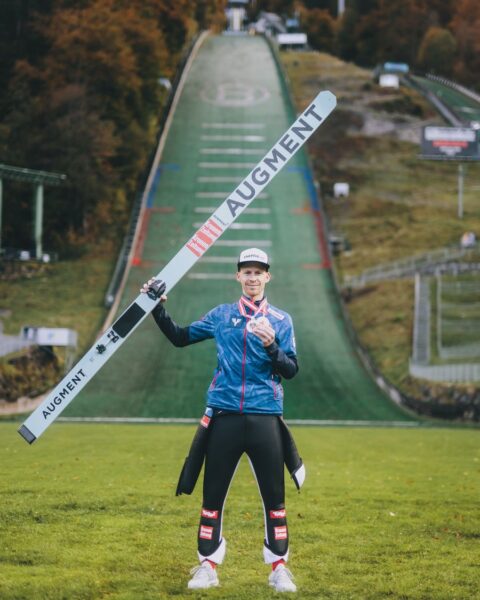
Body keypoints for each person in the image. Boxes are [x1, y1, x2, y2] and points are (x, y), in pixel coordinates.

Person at [141, 247, 305, 592]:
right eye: (247, 271)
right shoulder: (222, 315)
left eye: (259, 272)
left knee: (275, 499)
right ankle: (207, 566)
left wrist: (273, 346)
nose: (253, 277)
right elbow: (180, 337)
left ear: (267, 277)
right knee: (212, 497)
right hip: (225, 416)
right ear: (238, 276)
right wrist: (156, 307)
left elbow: (290, 370)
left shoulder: (281, 320)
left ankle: (279, 568)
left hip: (265, 418)